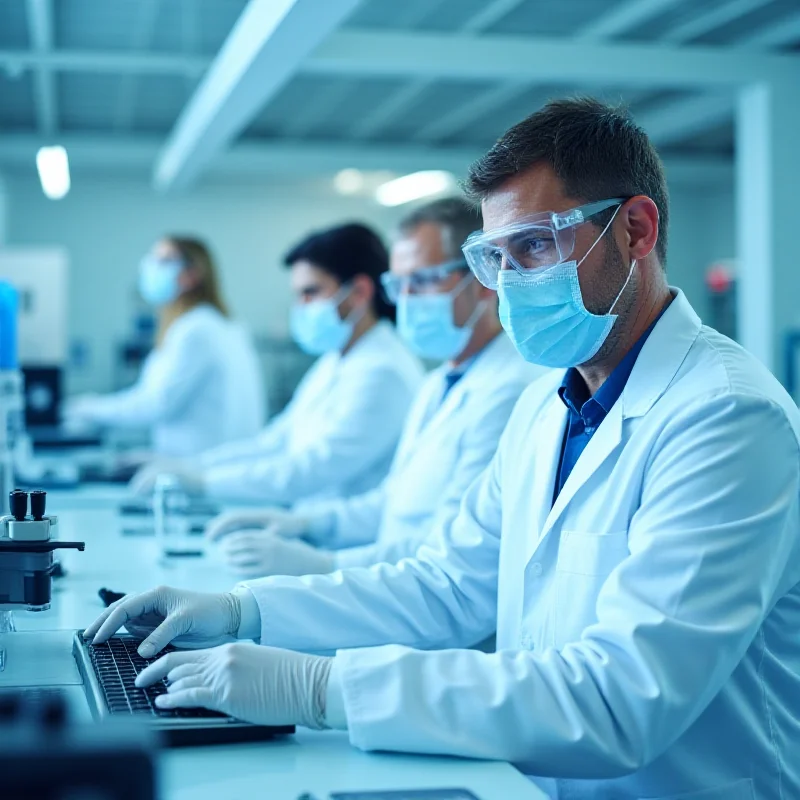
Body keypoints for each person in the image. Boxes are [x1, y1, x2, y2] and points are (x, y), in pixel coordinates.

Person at [86, 99, 800, 799]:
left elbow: (622, 697)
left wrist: (319, 687)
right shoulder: (545, 405)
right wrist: (245, 609)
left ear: (635, 230)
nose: (511, 282)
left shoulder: (728, 416)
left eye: (535, 245)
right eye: (496, 256)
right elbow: (447, 583)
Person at [204, 198, 549, 579]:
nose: (404, 301)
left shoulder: (509, 391)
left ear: (483, 279)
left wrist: (328, 564)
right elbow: (394, 501)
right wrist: (307, 524)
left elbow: (452, 543)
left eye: (421, 281)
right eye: (398, 285)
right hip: (393, 588)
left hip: (429, 605)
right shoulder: (440, 382)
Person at [130, 223, 424, 506]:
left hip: (345, 541)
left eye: (310, 292)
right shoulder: (337, 359)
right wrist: (187, 466)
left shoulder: (383, 372)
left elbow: (309, 470)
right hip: (311, 526)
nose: (300, 307)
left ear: (359, 292)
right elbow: (276, 441)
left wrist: (202, 482)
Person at [64, 237, 264, 457]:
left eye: (163, 261)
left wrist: (87, 407)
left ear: (192, 275)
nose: (151, 268)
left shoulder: (195, 331)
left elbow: (156, 403)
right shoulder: (224, 325)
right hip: (206, 462)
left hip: (197, 468)